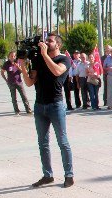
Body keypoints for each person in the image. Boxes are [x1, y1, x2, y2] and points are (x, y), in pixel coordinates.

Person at [17, 33, 75, 188]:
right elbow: (30, 82)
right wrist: (22, 67)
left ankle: (69, 175)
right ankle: (47, 175)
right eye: (46, 40)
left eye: (50, 41)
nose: (47, 42)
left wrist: (44, 54)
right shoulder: (38, 60)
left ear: (58, 45)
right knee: (43, 143)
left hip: (56, 105)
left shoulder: (64, 59)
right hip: (39, 106)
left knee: (62, 142)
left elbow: (57, 71)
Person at [2, 50, 32, 115]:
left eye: (14, 56)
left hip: (19, 82)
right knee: (14, 98)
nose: (13, 57)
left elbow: (23, 71)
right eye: (11, 56)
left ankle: (28, 110)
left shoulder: (18, 62)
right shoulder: (6, 64)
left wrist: (18, 67)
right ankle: (17, 111)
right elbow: (2, 72)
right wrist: (6, 80)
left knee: (24, 96)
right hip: (11, 83)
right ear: (9, 57)